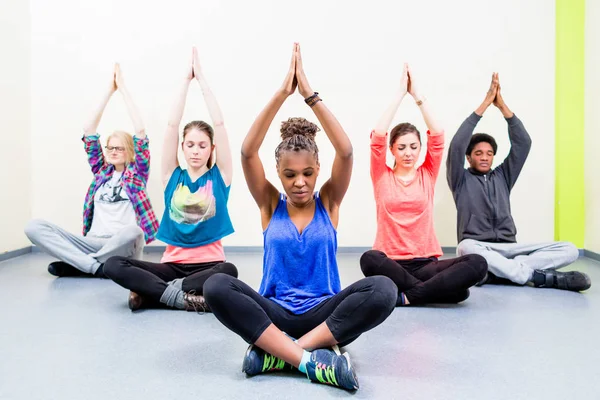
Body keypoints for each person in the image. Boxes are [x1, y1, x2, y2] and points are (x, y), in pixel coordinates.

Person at [203, 44, 397, 391]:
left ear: (318, 169)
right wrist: (282, 93)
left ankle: (281, 355)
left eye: (308, 173)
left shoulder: (329, 202)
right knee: (216, 285)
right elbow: (248, 151)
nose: (300, 182)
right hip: (274, 315)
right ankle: (312, 360)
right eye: (290, 175)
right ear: (278, 173)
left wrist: (309, 94)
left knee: (384, 289)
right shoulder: (269, 204)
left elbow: (347, 151)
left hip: (324, 315)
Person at [104, 48, 237, 311]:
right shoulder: (171, 176)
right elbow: (171, 127)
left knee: (228, 271)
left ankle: (155, 294)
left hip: (210, 266)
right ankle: (181, 296)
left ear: (212, 148)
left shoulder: (220, 177)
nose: (196, 150)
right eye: (190, 145)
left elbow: (219, 124)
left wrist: (202, 81)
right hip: (171, 265)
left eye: (202, 145)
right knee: (114, 264)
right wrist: (185, 82)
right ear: (183, 148)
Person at [447, 73, 591, 291]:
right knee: (465, 248)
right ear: (469, 157)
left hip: (511, 247)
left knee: (569, 248)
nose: (485, 157)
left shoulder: (503, 176)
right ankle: (537, 276)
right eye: (478, 153)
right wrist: (485, 105)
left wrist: (502, 106)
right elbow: (457, 145)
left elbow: (523, 143)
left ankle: (499, 273)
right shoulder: (460, 179)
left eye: (489, 153)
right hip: (479, 246)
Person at [360, 63, 487, 306]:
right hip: (391, 264)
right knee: (368, 259)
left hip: (426, 263)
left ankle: (408, 296)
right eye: (401, 147)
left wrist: (417, 96)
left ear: (420, 148)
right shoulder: (381, 175)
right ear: (392, 150)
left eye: (414, 147)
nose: (408, 153)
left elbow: (437, 136)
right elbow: (377, 135)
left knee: (477, 263)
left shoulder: (427, 173)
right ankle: (433, 292)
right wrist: (399, 94)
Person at [24, 64, 158, 278]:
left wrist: (122, 88)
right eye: (110, 147)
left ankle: (79, 265)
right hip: (92, 241)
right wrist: (108, 90)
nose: (113, 151)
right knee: (34, 227)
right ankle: (96, 267)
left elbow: (140, 131)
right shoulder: (100, 173)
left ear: (130, 151)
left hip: (122, 245)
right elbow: (89, 130)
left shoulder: (137, 174)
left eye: (119, 148)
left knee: (134, 232)